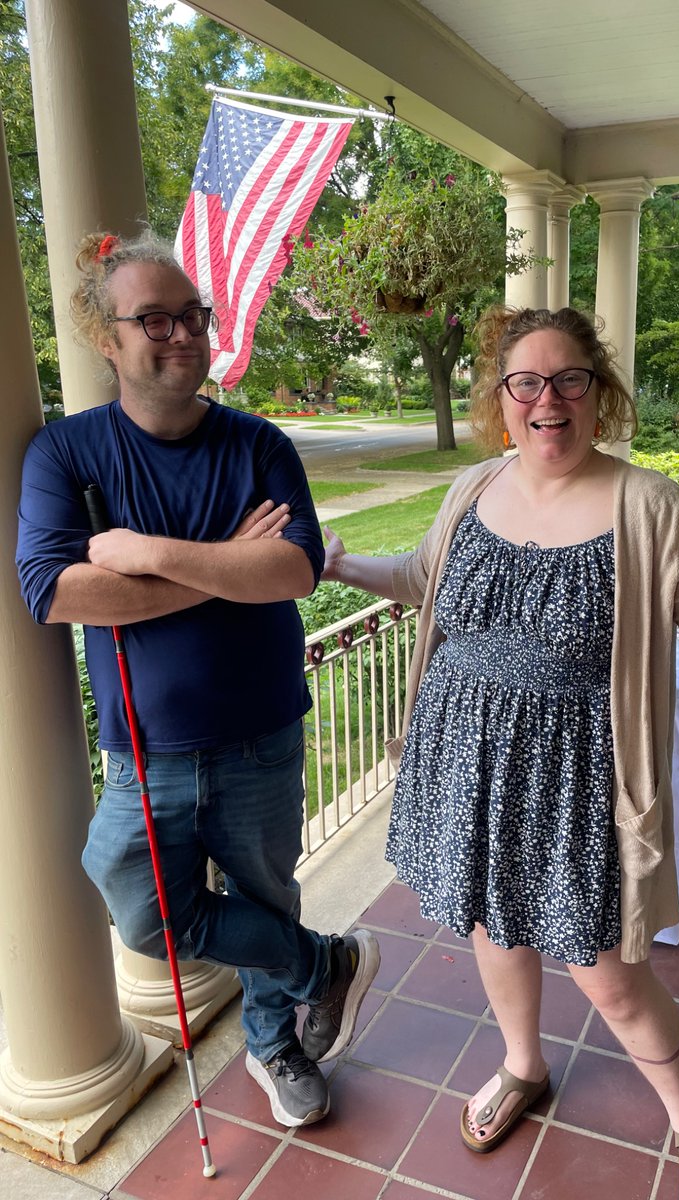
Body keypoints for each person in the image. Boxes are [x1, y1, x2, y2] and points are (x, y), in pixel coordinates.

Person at [321, 305, 679, 1200]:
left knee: (612, 979)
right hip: (463, 758)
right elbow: (423, 578)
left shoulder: (647, 505)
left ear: (599, 395)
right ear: (501, 399)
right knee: (490, 923)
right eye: (526, 382)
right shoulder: (473, 487)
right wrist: (338, 563)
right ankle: (522, 1065)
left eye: (568, 380)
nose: (546, 399)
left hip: (576, 783)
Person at [15, 230, 379, 1130]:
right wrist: (224, 565)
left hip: (261, 730)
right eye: (154, 319)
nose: (180, 334)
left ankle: (274, 1045)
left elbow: (292, 572)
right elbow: (54, 592)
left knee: (263, 895)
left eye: (191, 316)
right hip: (145, 749)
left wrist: (143, 559)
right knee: (142, 914)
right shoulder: (69, 456)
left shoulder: (257, 443)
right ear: (108, 338)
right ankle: (321, 965)